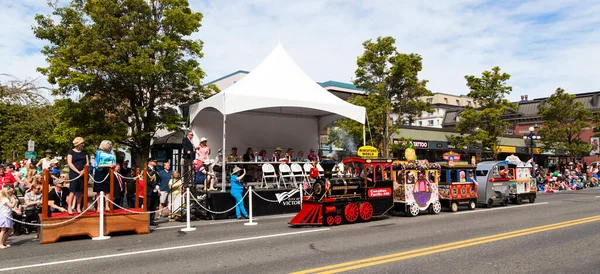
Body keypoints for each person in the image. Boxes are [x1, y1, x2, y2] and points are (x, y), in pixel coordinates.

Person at [94, 140, 116, 211]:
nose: (110, 146)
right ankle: (99, 206)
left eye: (110, 145)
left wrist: (113, 165)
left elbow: (114, 163)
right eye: (108, 144)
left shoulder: (111, 154)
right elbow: (98, 165)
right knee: (98, 190)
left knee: (107, 190)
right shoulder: (99, 153)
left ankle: (107, 206)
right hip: (100, 172)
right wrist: (108, 165)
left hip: (109, 172)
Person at [146, 158, 160, 226]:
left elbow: (158, 179)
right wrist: (154, 186)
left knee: (153, 207)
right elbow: (147, 180)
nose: (155, 162)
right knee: (148, 206)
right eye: (154, 161)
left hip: (155, 190)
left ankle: (151, 220)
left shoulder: (155, 170)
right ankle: (146, 221)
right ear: (150, 162)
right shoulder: (146, 170)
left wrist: (157, 186)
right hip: (149, 190)